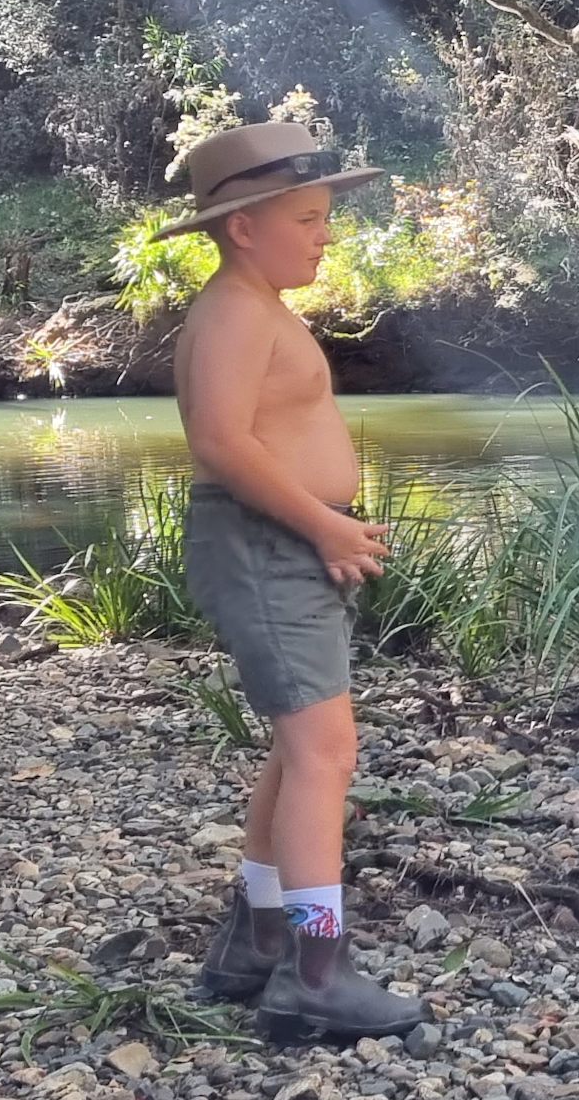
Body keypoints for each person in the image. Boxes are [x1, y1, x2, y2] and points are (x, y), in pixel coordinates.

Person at [163, 119, 424, 1045]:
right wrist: (321, 523)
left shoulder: (255, 306)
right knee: (325, 755)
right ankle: (318, 970)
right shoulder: (234, 311)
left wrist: (328, 530)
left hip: (284, 549)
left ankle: (257, 939)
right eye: (308, 219)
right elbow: (222, 443)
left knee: (299, 745)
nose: (325, 236)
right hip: (266, 546)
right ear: (245, 226)